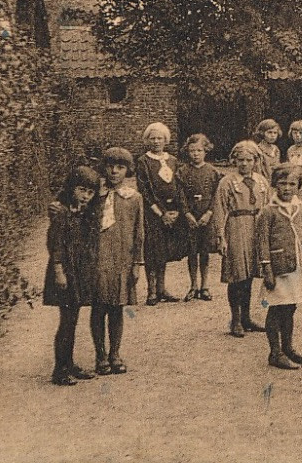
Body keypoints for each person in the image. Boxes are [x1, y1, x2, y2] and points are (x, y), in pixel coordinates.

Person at [255, 166, 302, 370]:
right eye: (283, 183)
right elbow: (262, 241)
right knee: (276, 308)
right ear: (275, 185)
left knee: (291, 307)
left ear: (298, 186)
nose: (287, 188)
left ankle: (288, 347)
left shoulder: (301, 207)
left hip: (297, 266)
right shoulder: (268, 211)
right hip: (278, 268)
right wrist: (266, 269)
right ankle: (275, 352)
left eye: (292, 184)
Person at [91, 147, 145, 375]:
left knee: (117, 308)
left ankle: (115, 353)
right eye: (110, 166)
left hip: (122, 259)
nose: (114, 171)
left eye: (120, 167)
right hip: (97, 259)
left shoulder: (133, 198)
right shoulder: (94, 196)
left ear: (127, 171)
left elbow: (139, 232)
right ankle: (100, 355)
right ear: (103, 168)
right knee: (98, 307)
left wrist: (137, 263)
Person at [44, 165, 101, 385]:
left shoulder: (84, 213)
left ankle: (69, 364)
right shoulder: (62, 213)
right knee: (66, 322)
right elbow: (55, 245)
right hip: (64, 272)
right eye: (81, 190)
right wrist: (59, 271)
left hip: (77, 272)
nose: (86, 196)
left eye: (90, 192)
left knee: (73, 319)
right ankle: (59, 370)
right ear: (71, 188)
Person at [215, 140, 270, 337]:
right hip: (237, 227)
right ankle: (235, 319)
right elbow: (220, 210)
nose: (245, 164)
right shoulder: (227, 182)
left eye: (249, 160)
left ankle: (247, 317)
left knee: (249, 276)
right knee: (237, 274)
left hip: (257, 227)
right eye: (240, 160)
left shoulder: (262, 182)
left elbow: (269, 207)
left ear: (255, 161)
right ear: (234, 161)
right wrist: (221, 237)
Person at [136, 121, 189, 304]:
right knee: (152, 250)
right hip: (154, 214)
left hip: (172, 213)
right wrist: (162, 213)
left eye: (160, 138)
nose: (157, 141)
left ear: (165, 140)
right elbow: (145, 191)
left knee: (164, 250)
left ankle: (162, 288)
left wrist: (176, 211)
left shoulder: (173, 160)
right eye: (153, 138)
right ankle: (151, 290)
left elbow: (179, 186)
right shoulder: (143, 161)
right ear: (147, 140)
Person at [178, 133, 221, 302]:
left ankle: (204, 286)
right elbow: (180, 196)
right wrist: (187, 214)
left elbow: (216, 195)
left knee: (204, 252)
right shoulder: (182, 172)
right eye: (192, 151)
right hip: (190, 217)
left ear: (206, 151)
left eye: (199, 150)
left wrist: (209, 213)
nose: (195, 154)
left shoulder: (213, 172)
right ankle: (193, 285)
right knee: (191, 251)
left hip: (206, 217)